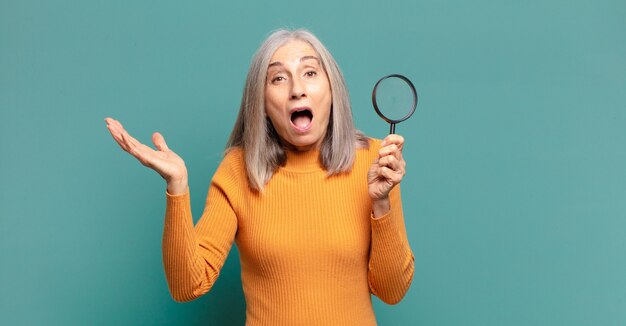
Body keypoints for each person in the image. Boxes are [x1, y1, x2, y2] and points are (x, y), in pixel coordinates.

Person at [105, 29, 414, 325]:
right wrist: (177, 187)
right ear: (263, 104)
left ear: (333, 90)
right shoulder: (238, 170)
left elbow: (392, 291)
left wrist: (381, 203)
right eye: (278, 78)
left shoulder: (376, 162)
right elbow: (187, 286)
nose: (297, 89)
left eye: (310, 73)